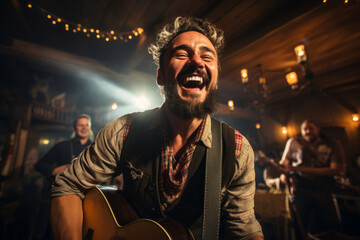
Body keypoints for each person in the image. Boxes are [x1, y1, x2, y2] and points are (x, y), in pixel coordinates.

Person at [50, 17, 264, 240]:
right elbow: (68, 184)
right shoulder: (125, 130)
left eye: (207, 56)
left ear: (216, 81)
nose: (196, 62)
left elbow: (245, 231)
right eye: (182, 54)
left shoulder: (237, 149)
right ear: (160, 76)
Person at [280, 119, 345, 238]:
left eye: (311, 128)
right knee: (301, 226)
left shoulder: (331, 144)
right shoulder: (293, 142)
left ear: (318, 129)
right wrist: (284, 173)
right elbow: (284, 162)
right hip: (301, 189)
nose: (308, 131)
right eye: (305, 129)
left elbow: (336, 170)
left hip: (324, 189)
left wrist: (299, 169)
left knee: (328, 226)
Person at [33, 114, 92, 239]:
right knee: (47, 232)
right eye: (80, 125)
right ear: (74, 128)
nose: (84, 128)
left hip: (86, 198)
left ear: (89, 127)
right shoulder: (62, 146)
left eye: (86, 125)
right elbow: (39, 165)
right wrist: (54, 170)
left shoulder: (94, 149)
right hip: (58, 197)